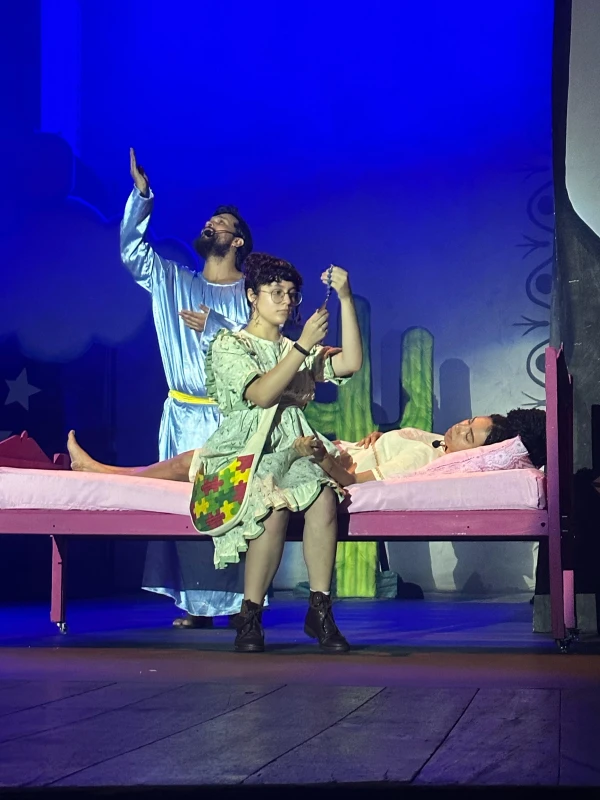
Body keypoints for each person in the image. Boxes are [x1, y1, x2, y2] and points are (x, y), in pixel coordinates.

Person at [68, 252, 363, 654]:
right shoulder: (231, 345)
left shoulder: (296, 348)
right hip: (246, 450)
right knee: (271, 505)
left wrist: (345, 297)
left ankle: (320, 610)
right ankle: (250, 615)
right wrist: (302, 347)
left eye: (292, 294)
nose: (286, 301)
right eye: (275, 292)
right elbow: (261, 395)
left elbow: (351, 362)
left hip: (291, 448)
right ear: (252, 296)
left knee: (324, 497)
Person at [121, 148, 252, 628]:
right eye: (209, 220)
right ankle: (196, 605)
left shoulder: (252, 294)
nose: (210, 224)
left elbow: (261, 346)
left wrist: (216, 324)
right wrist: (142, 197)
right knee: (185, 510)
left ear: (237, 241)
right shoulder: (174, 280)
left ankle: (240, 603)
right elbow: (133, 254)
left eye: (221, 223)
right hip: (181, 414)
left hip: (228, 417)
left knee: (230, 509)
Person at [292, 407, 547, 486]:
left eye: (468, 437)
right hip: (340, 450)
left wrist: (321, 457)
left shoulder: (425, 458)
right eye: (468, 421)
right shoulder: (441, 442)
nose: (459, 428)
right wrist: (384, 439)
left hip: (326, 462)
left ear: (474, 454)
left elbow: (352, 481)